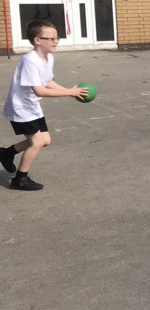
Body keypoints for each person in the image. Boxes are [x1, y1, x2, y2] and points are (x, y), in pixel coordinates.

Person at [1, 20, 88, 190]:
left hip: (32, 107)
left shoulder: (48, 58)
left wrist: (69, 90)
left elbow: (47, 81)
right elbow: (39, 91)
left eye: (57, 38)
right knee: (37, 142)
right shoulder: (30, 61)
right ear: (37, 40)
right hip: (21, 109)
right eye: (51, 39)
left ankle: (6, 153)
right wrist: (69, 93)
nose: (56, 42)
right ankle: (20, 179)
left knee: (45, 140)